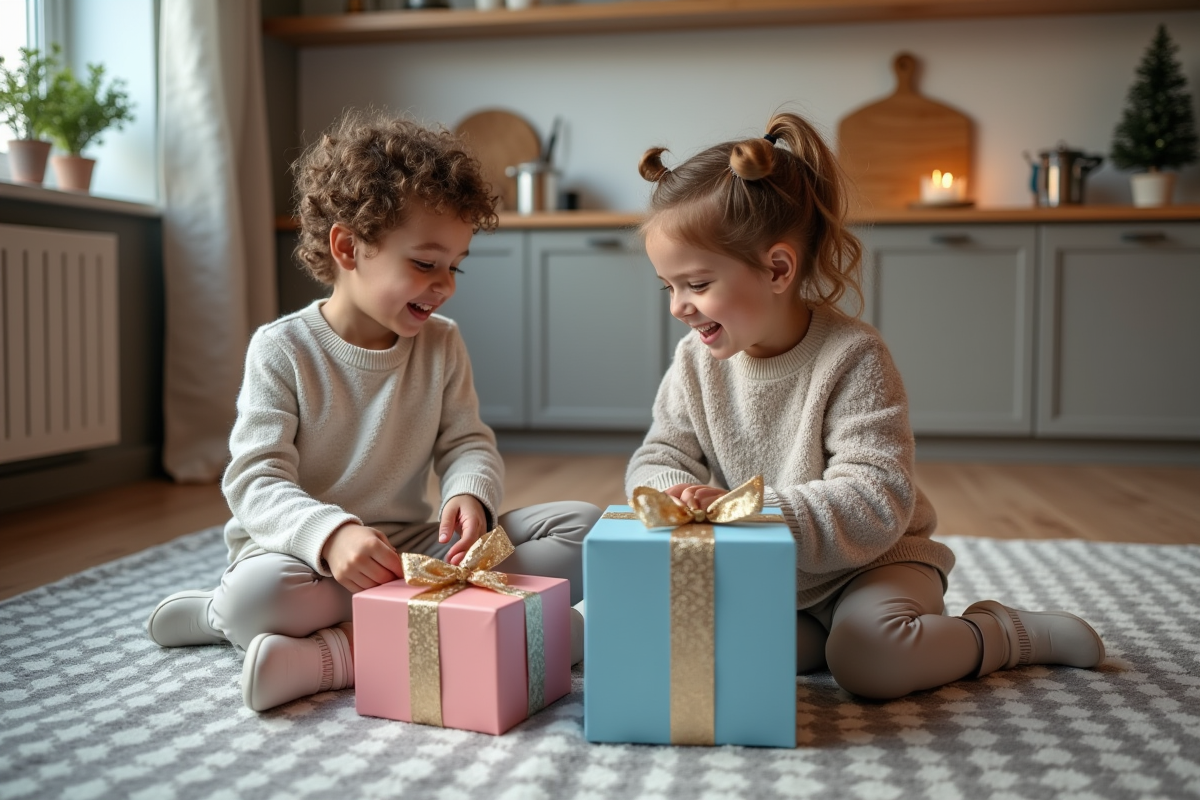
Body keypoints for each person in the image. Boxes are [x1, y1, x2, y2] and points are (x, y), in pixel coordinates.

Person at [625, 112, 1105, 700]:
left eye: (696, 285)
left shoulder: (853, 356)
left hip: (874, 564)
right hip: (778, 577)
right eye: (667, 286)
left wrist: (747, 512)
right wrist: (673, 495)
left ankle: (1000, 634)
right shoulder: (694, 361)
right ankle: (821, 637)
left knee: (868, 659)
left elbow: (877, 501)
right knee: (713, 638)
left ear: (778, 269)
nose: (679, 306)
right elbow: (660, 452)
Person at [146, 110, 600, 712]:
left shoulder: (442, 342)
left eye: (455, 266)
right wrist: (331, 535)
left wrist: (470, 495)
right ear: (347, 247)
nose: (446, 285)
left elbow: (467, 442)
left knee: (588, 530)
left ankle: (338, 650)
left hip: (415, 554)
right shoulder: (281, 349)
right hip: (308, 559)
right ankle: (218, 610)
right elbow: (255, 479)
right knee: (261, 598)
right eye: (424, 263)